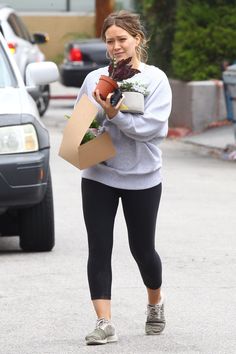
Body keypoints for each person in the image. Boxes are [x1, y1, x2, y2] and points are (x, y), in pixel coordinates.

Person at [75, 10, 172, 345]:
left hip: (143, 177)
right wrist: (98, 116)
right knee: (98, 248)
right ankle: (104, 322)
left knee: (142, 249)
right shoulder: (94, 80)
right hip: (99, 174)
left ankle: (155, 302)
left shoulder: (155, 80)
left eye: (122, 39)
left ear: (137, 40)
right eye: (110, 41)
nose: (116, 46)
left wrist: (116, 116)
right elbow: (81, 132)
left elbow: (151, 131)